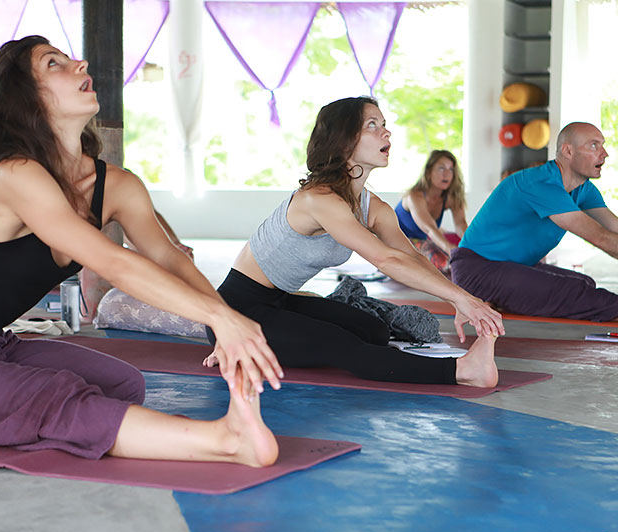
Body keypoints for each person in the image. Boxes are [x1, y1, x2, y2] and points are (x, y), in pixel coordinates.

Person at [0, 36, 283, 467]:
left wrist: (220, 325)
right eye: (53, 63)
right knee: (52, 396)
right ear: (25, 98)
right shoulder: (14, 174)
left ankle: (4, 407)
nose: (81, 63)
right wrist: (222, 318)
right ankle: (226, 441)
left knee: (121, 383)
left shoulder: (118, 186)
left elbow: (168, 257)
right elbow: (112, 261)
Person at [204, 96, 505, 388]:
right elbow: (387, 260)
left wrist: (458, 299)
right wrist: (464, 299)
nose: (386, 132)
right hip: (237, 311)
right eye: (372, 125)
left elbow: (411, 257)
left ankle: (276, 341)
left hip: (281, 300)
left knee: (373, 330)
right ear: (344, 140)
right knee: (341, 344)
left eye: (384, 124)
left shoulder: (372, 207)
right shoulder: (318, 200)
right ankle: (463, 371)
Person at [450, 121, 618, 327]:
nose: (604, 153)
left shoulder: (583, 189)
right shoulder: (540, 184)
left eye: (603, 145)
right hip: (476, 270)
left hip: (513, 267)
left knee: (585, 283)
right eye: (594, 145)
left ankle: (501, 300)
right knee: (570, 292)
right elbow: (601, 237)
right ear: (568, 151)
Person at [394, 150, 468, 276]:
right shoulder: (415, 196)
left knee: (464, 257)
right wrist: (452, 250)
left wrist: (474, 247)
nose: (446, 174)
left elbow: (461, 225)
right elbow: (430, 229)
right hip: (398, 242)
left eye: (451, 169)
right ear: (429, 172)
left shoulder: (451, 198)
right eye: (441, 168)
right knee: (447, 262)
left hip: (423, 242)